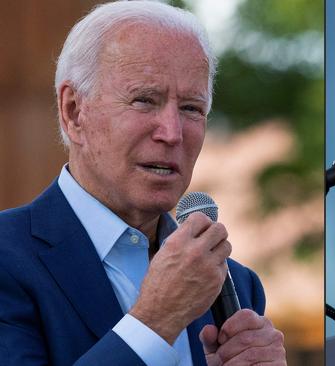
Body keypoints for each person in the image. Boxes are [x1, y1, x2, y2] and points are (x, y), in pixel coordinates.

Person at [0, 1, 286, 365]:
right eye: (144, 101)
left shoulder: (235, 283)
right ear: (74, 111)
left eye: (191, 109)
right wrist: (154, 322)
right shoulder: (8, 259)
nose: (172, 133)